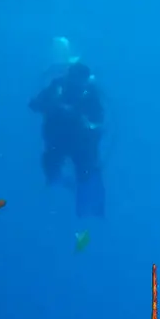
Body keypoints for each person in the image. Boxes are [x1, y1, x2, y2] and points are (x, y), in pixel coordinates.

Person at [30, 39, 105, 216]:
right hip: (58, 141)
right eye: (72, 77)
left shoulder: (89, 92)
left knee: (87, 174)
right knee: (52, 172)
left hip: (81, 144)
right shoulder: (57, 87)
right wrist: (54, 107)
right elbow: (34, 104)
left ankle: (88, 212)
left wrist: (85, 122)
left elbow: (99, 118)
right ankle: (59, 202)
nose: (75, 83)